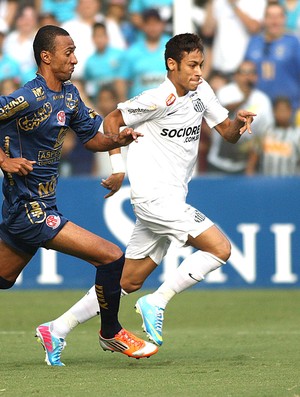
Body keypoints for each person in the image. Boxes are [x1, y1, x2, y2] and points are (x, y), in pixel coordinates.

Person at [40, 32, 256, 355]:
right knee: (220, 249)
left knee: (128, 281)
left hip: (172, 198)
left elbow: (226, 132)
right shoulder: (157, 99)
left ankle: (56, 329)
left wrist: (238, 125)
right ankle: (157, 302)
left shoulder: (202, 92)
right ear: (172, 64)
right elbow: (112, 119)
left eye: (201, 65)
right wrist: (118, 166)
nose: (199, 72)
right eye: (192, 65)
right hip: (154, 198)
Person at [0, 24, 158, 366]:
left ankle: (59, 332)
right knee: (111, 257)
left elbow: (92, 138)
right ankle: (111, 332)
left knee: (3, 279)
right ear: (46, 57)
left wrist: (119, 139)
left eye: (74, 51)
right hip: (31, 210)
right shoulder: (29, 96)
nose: (75, 58)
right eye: (68, 52)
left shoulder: (69, 95)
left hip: (38, 204)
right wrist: (4, 160)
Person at [206, 60, 274, 175]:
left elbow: (262, 135)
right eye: (244, 73)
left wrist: (250, 167)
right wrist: (244, 99)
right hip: (218, 163)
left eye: (251, 73)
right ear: (236, 76)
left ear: (256, 77)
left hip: (243, 166)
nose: (248, 77)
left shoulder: (263, 101)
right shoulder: (225, 92)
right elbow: (225, 110)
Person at [244, 2, 300, 115]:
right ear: (264, 19)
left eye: (278, 17)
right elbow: (244, 75)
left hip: (289, 109)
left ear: (284, 19)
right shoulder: (254, 42)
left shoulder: (293, 43)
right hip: (259, 111)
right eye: (270, 17)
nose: (274, 21)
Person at [201, 0, 266, 79]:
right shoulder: (218, 2)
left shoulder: (257, 2)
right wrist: (210, 3)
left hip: (242, 68)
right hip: (219, 67)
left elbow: (254, 28)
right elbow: (207, 31)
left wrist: (233, 5)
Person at [247, 96, 300, 175]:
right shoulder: (264, 130)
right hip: (267, 182)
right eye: (279, 110)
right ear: (274, 112)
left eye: (285, 110)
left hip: (290, 183)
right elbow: (254, 156)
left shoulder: (297, 134)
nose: (282, 114)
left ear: (290, 112)